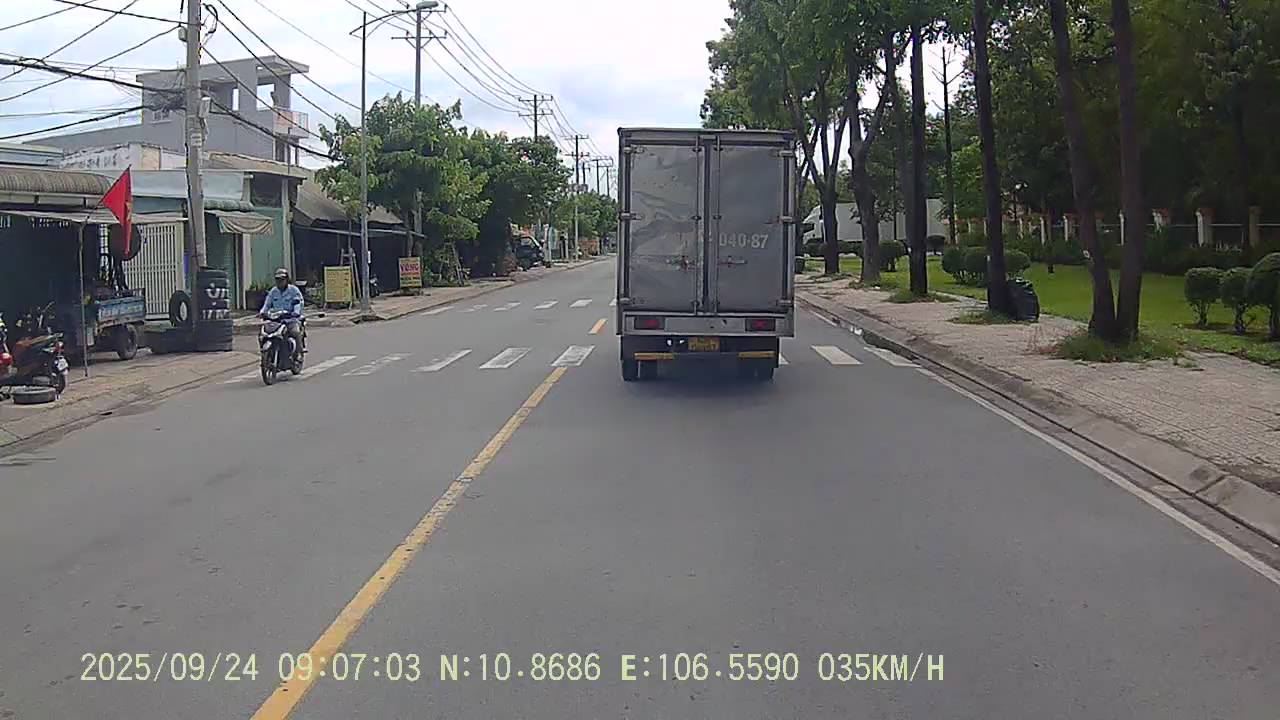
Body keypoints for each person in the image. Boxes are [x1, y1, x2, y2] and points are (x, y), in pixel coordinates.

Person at [259, 268, 305, 357]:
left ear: (287, 280)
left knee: (295, 332)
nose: (280, 282)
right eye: (277, 279)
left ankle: (299, 352)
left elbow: (298, 303)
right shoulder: (273, 291)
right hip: (276, 319)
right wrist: (262, 312)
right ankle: (266, 354)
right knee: (263, 334)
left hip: (290, 319)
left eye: (282, 279)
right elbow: (267, 304)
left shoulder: (294, 290)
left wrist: (296, 312)